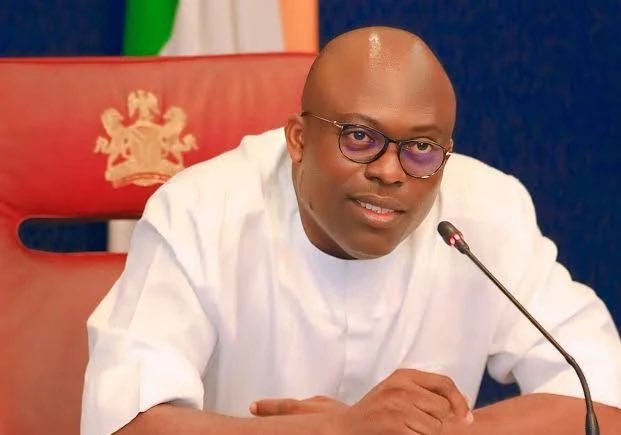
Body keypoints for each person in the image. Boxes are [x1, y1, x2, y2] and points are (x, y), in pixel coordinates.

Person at [81, 27, 621, 435]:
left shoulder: (485, 214)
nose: (390, 171)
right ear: (298, 139)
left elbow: (604, 398)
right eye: (360, 137)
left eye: (422, 148)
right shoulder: (203, 210)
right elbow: (125, 422)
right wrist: (334, 430)